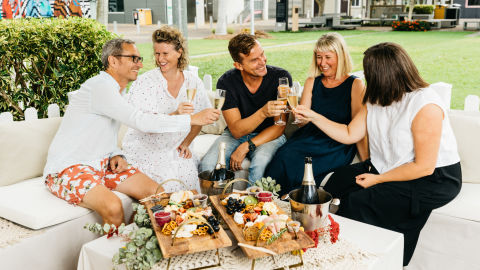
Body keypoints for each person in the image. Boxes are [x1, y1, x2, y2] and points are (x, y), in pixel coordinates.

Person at [294, 42, 462, 266]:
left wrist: (379, 179)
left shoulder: (425, 105)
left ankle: (364, 258)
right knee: (336, 182)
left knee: (359, 202)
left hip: (433, 178)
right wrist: (312, 116)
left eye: (369, 72)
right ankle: (326, 244)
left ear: (384, 75)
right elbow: (349, 133)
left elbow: (424, 166)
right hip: (389, 165)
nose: (364, 76)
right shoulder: (377, 97)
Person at [43, 38, 220, 227]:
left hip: (103, 165)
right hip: (69, 168)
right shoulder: (100, 87)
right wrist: (192, 119)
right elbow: (141, 121)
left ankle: (139, 242)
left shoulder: (118, 91)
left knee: (157, 194)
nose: (140, 64)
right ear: (113, 61)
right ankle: (118, 253)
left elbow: (100, 132)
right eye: (133, 58)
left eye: (139, 58)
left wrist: (115, 153)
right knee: (113, 206)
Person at [265, 33, 367, 195]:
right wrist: (297, 113)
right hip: (308, 137)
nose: (322, 63)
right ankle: (269, 200)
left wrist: (366, 162)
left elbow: (358, 127)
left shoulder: (355, 84)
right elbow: (301, 123)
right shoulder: (312, 81)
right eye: (319, 57)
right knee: (284, 156)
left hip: (335, 143)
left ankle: (294, 201)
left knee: (302, 168)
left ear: (341, 56)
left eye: (328, 57)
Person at [122, 26, 212, 192]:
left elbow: (200, 118)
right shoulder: (145, 83)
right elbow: (145, 125)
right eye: (157, 53)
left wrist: (186, 142)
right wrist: (176, 113)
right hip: (148, 149)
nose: (160, 59)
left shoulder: (193, 82)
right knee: (169, 191)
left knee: (192, 193)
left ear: (179, 52)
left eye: (165, 53)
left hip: (177, 147)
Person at [199, 33, 290, 185]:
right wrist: (263, 112)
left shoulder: (280, 78)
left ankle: (253, 206)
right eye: (255, 60)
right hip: (237, 134)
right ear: (239, 65)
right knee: (208, 165)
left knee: (260, 164)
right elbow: (236, 130)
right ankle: (216, 206)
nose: (262, 62)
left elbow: (279, 127)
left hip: (269, 135)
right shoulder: (226, 82)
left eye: (262, 54)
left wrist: (247, 146)